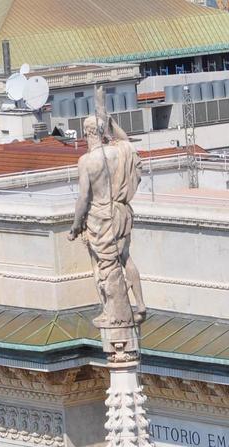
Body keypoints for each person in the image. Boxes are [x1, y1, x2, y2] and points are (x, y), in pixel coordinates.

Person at [70, 114, 146, 335]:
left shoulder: (86, 161)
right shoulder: (119, 151)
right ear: (103, 131)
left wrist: (75, 225)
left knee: (102, 265)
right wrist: (112, 123)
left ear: (86, 133)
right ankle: (140, 303)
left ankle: (110, 310)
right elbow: (130, 146)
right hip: (121, 213)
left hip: (99, 218)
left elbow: (84, 198)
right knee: (125, 258)